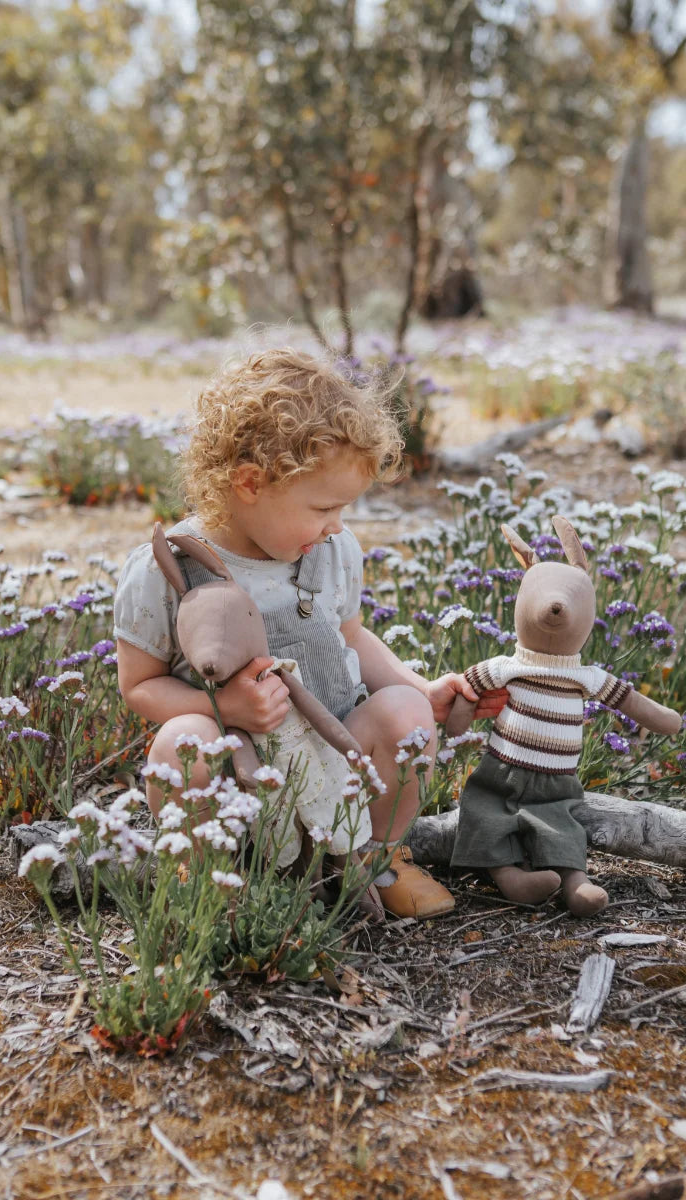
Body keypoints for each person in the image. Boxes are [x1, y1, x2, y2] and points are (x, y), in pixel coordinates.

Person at [113, 348, 506, 919]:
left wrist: (422, 689)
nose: (336, 526)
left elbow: (352, 637)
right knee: (182, 744)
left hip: (335, 760)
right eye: (324, 507)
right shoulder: (166, 568)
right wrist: (225, 707)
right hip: (244, 774)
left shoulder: (330, 549)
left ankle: (373, 857)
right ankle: (213, 880)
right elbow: (139, 685)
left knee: (405, 715)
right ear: (250, 482)